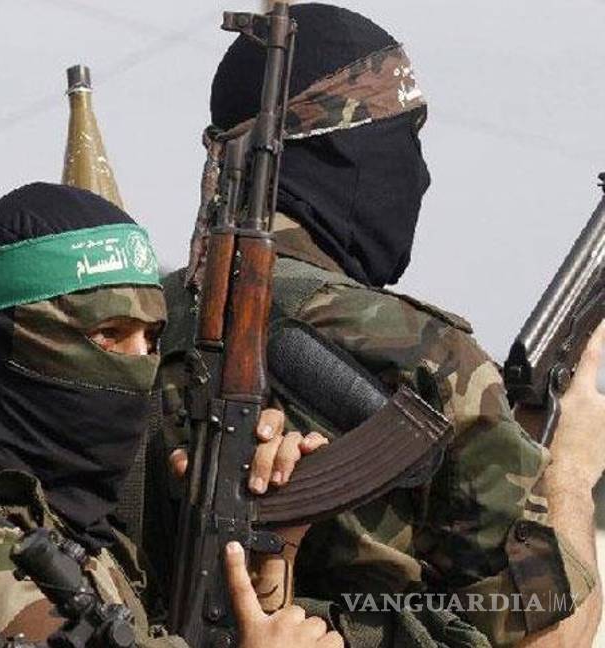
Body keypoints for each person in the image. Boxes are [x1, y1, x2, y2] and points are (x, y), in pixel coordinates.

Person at [157, 4, 599, 647]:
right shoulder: (425, 354)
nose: (419, 175)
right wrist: (572, 469)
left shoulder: (141, 320)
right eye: (403, 140)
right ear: (346, 152)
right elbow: (550, 638)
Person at [0, 181, 342, 648]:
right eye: (109, 334)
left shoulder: (91, 534)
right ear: (10, 344)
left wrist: (260, 554)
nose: (141, 364)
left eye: (152, 339)